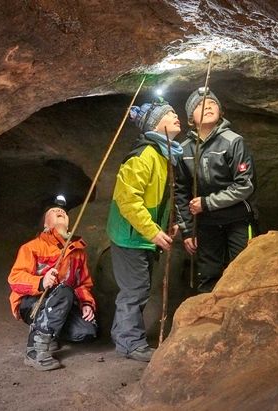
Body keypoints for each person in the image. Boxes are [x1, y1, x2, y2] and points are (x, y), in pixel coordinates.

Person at [106, 98, 183, 362]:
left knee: (137, 287)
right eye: (169, 113)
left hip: (140, 235)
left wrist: (166, 226)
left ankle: (123, 336)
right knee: (135, 290)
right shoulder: (144, 155)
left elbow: (159, 199)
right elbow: (128, 199)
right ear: (154, 124)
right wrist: (152, 231)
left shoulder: (162, 155)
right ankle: (131, 343)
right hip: (130, 236)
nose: (176, 115)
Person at [175, 87, 258, 293]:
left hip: (238, 219)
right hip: (206, 224)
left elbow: (244, 185)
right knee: (208, 275)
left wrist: (206, 203)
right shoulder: (183, 149)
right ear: (190, 119)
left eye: (212, 104)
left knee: (243, 271)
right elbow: (180, 191)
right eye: (200, 106)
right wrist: (187, 231)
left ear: (221, 112)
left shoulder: (233, 141)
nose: (208, 107)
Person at [8, 195, 97, 371]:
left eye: (63, 212)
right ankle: (35, 350)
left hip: (61, 304)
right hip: (32, 304)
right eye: (54, 212)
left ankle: (50, 332)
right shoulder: (32, 247)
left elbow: (83, 284)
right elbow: (15, 279)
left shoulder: (78, 252)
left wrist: (87, 304)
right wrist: (41, 282)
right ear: (46, 224)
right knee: (64, 291)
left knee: (87, 330)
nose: (60, 212)